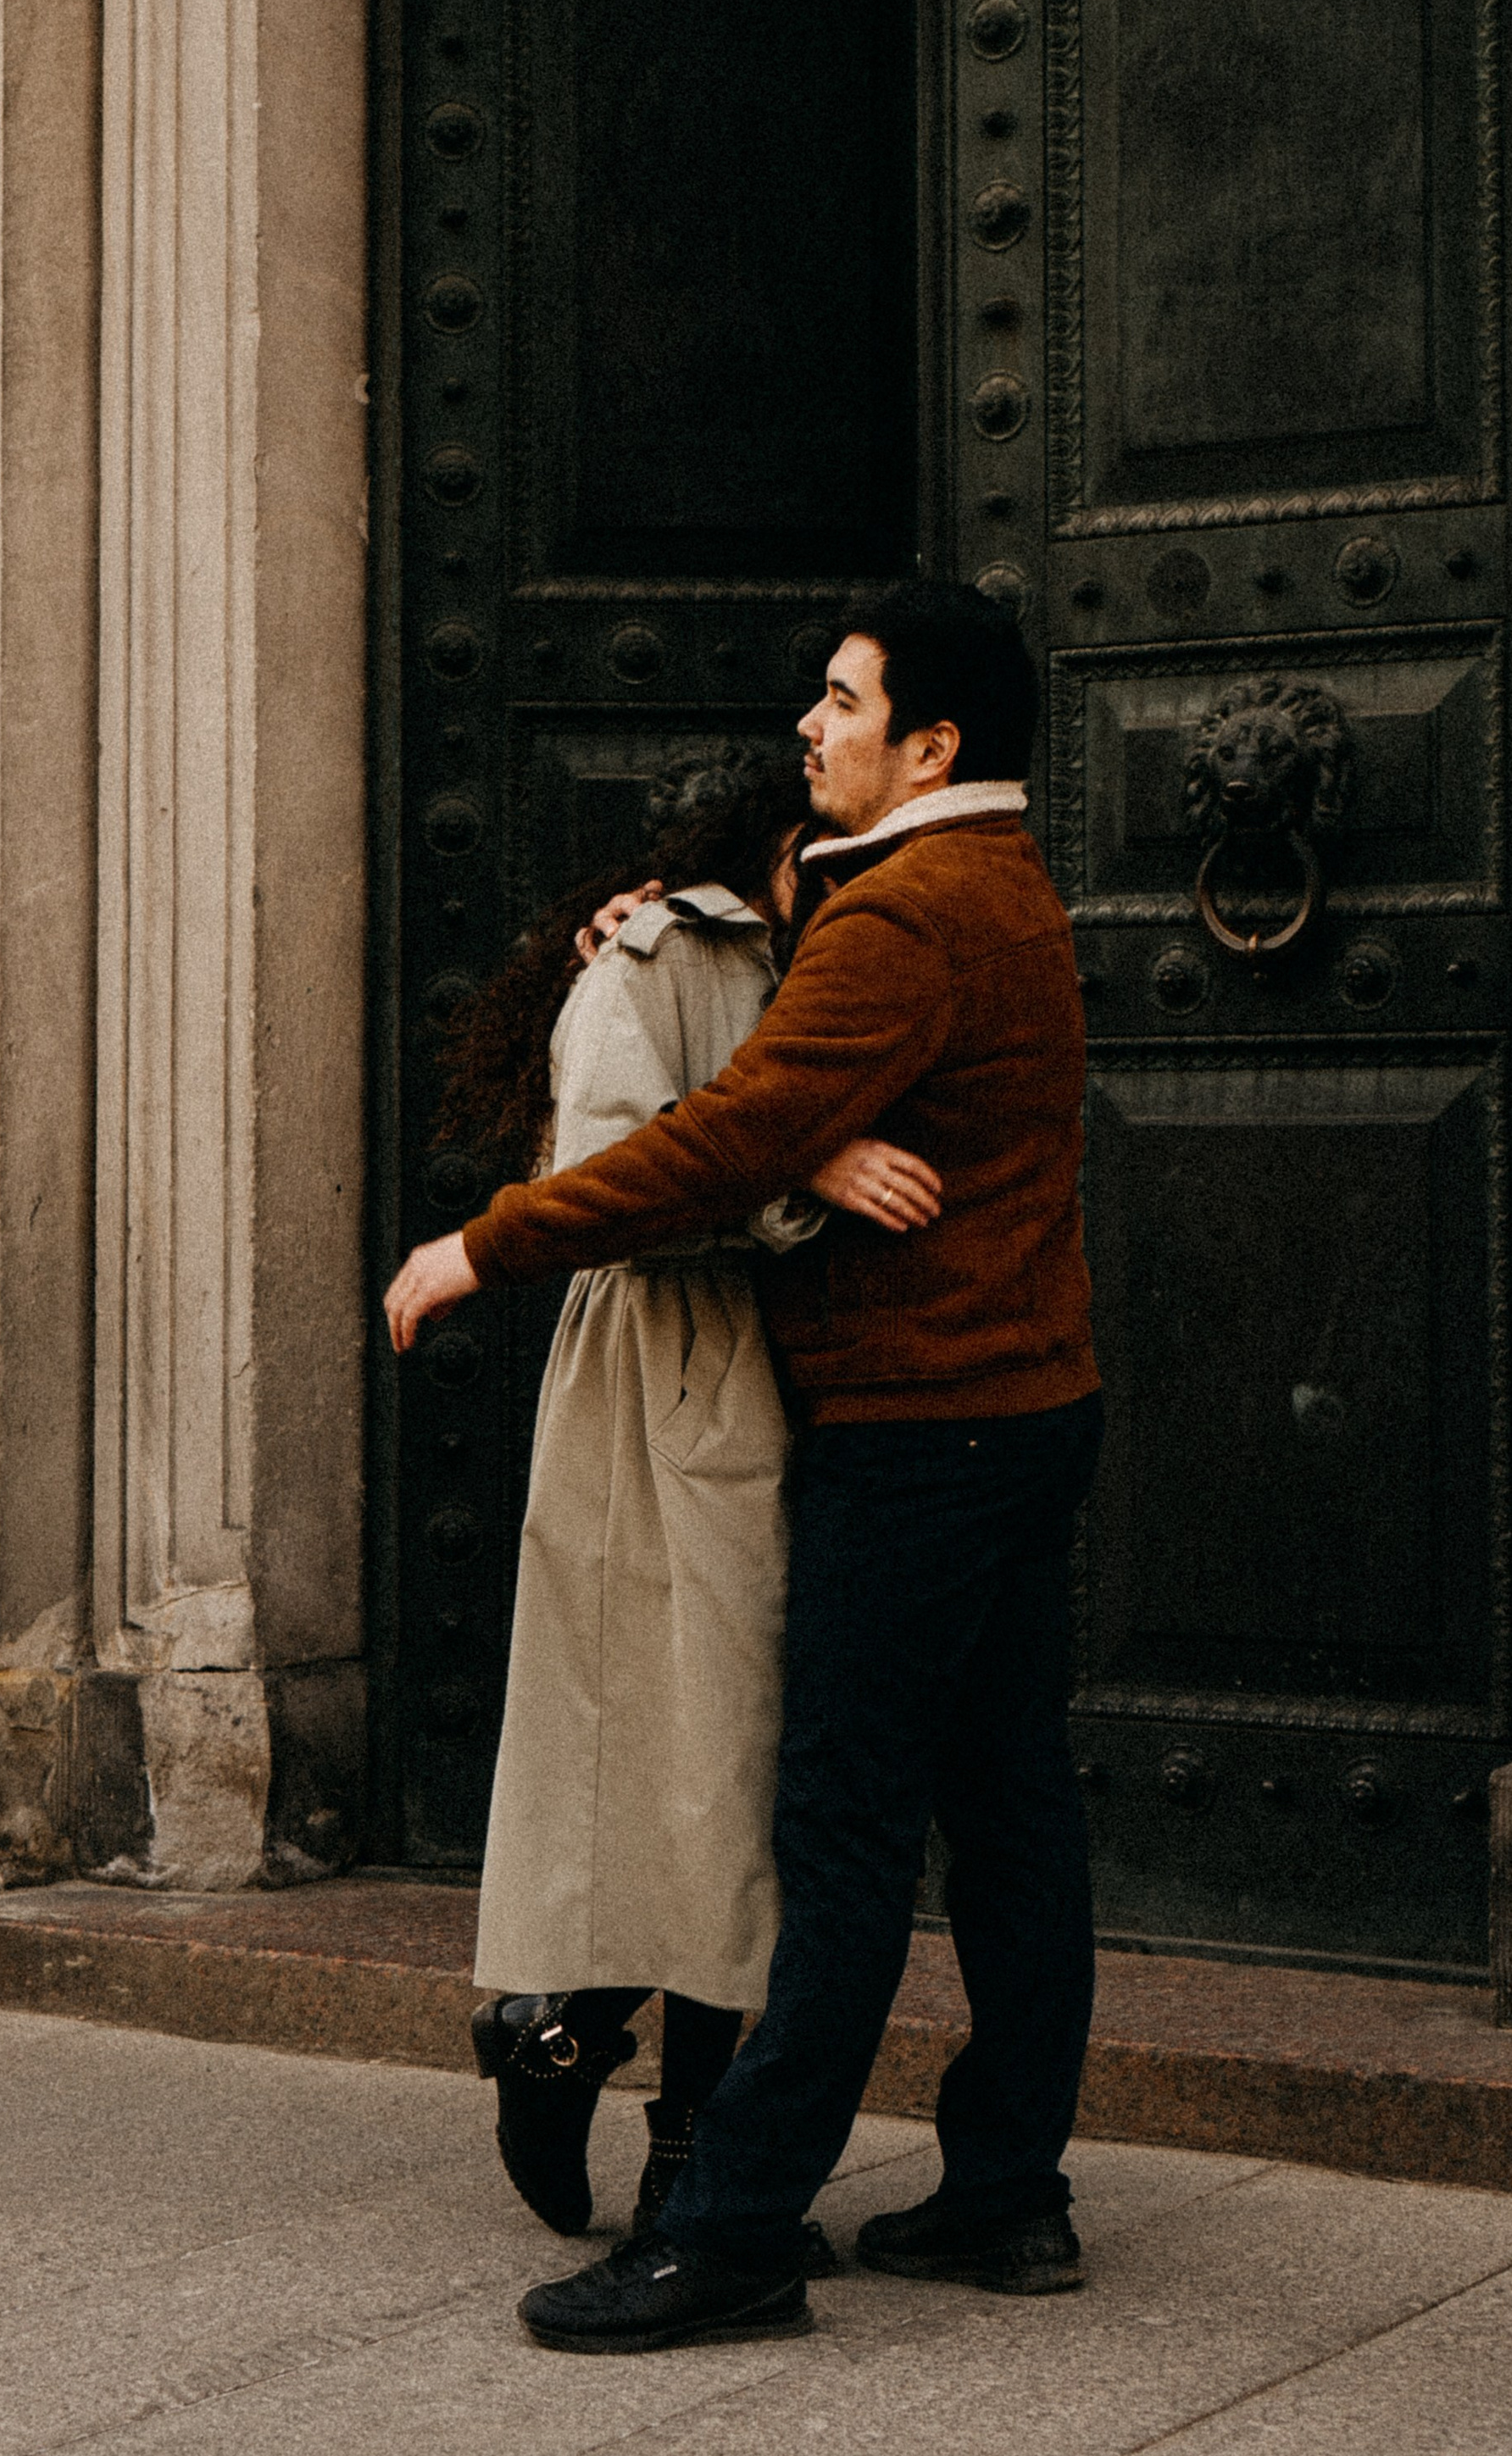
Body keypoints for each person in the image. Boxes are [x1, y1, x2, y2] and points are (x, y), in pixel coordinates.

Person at [387, 580, 1103, 2354]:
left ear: (927, 744)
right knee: (1013, 1823)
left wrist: (481, 1245)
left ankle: (731, 2228)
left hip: (916, 1431)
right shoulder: (997, 887)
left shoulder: (904, 915)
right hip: (1025, 1408)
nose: (812, 724)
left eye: (844, 703)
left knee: (839, 1840)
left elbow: (721, 1140)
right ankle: (1007, 2192)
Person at [435, 746, 942, 2248]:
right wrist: (810, 1174)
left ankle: (615, 2082)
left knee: (753, 1775)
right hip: (670, 1382)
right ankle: (595, 2073)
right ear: (763, 852)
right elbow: (618, 1174)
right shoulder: (651, 961)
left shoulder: (842, 944)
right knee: (706, 1756)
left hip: (800, 1386)